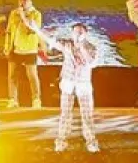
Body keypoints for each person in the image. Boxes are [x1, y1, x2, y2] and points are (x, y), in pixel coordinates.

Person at [33, 20, 100, 153]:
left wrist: (82, 47)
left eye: (80, 32)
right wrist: (36, 29)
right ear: (72, 34)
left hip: (83, 85)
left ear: (85, 34)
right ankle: (61, 142)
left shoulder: (91, 48)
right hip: (68, 83)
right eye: (75, 32)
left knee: (87, 115)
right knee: (65, 114)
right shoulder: (67, 44)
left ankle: (91, 143)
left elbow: (91, 63)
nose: (77, 35)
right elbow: (50, 40)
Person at [3, 0, 43, 109]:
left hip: (30, 49)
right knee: (12, 76)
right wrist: (7, 46)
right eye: (20, 0)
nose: (22, 2)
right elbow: (9, 31)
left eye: (25, 0)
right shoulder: (13, 13)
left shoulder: (36, 14)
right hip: (15, 49)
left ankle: (36, 99)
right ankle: (13, 99)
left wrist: (23, 15)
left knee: (32, 76)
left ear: (31, 2)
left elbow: (31, 30)